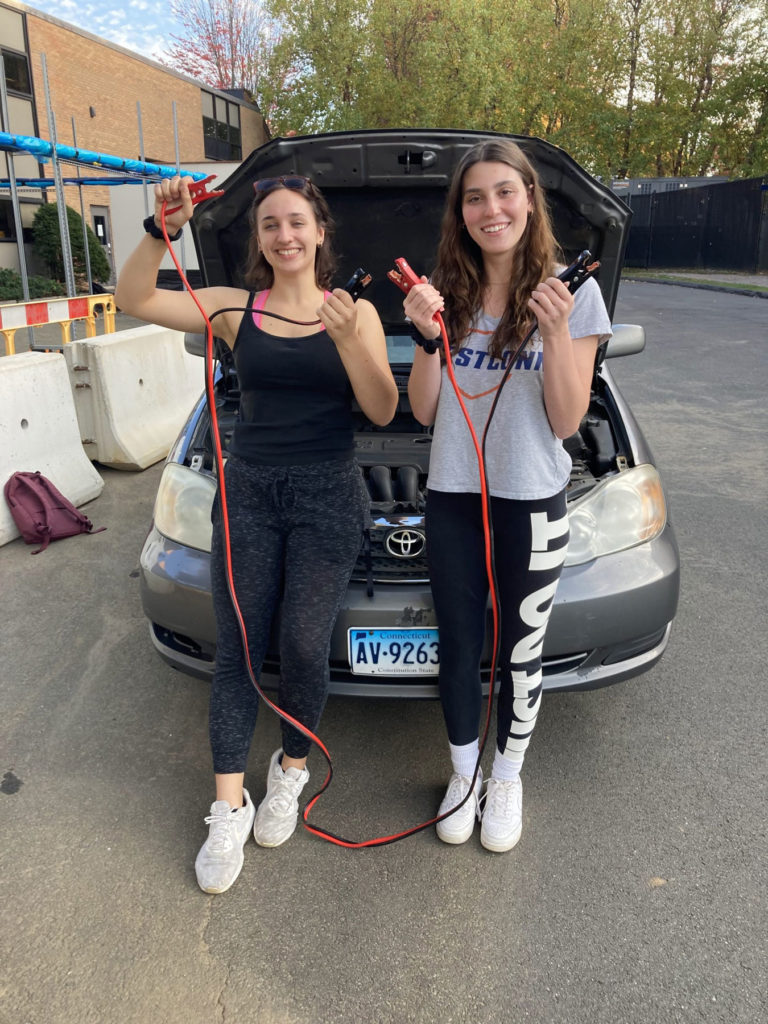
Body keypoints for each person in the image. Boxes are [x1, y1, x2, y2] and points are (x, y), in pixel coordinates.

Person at [115, 174, 398, 892]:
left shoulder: (353, 310)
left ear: (321, 231)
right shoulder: (236, 307)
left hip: (328, 494)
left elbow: (384, 408)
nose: (285, 235)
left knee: (304, 642)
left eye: (297, 221)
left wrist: (350, 342)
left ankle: (291, 770)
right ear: (260, 239)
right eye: (271, 224)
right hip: (250, 493)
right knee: (240, 645)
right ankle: (227, 803)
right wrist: (160, 230)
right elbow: (135, 299)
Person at [403, 141, 611, 853]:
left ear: (528, 198)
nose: (490, 209)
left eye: (503, 192)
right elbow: (425, 412)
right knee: (459, 646)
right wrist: (429, 339)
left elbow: (563, 421)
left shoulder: (574, 293)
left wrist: (554, 332)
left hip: (530, 500)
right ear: (459, 213)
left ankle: (507, 775)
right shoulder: (446, 290)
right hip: (454, 497)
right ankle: (463, 774)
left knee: (523, 653)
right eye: (473, 197)